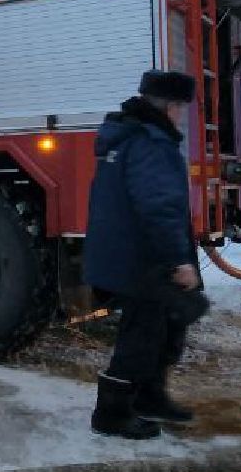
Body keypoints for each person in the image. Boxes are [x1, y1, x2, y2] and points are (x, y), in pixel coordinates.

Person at [83, 69, 208, 440]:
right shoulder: (151, 143)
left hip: (133, 253)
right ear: (171, 107)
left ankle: (150, 397)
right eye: (182, 107)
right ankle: (111, 412)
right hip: (142, 258)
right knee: (142, 333)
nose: (182, 115)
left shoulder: (128, 137)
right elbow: (159, 206)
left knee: (164, 326)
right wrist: (178, 261)